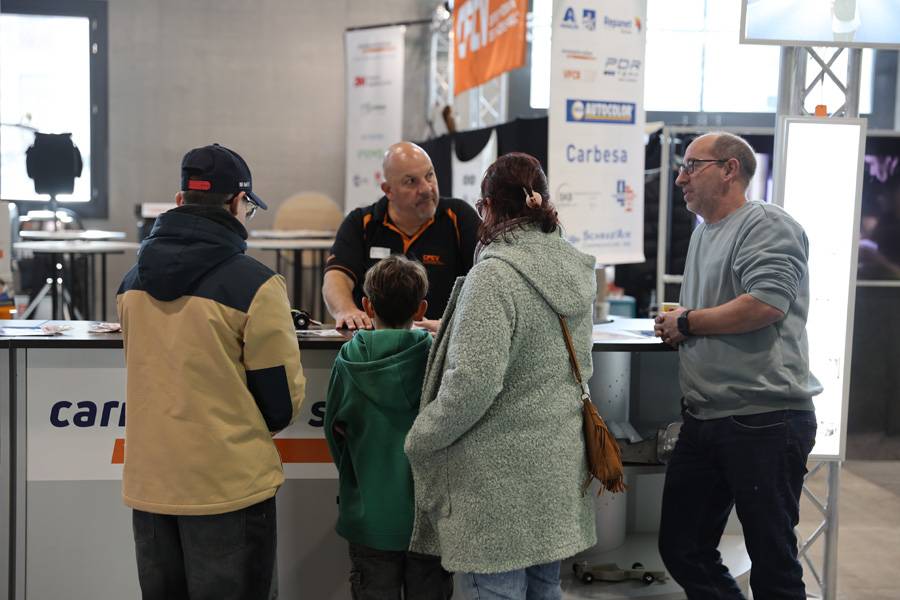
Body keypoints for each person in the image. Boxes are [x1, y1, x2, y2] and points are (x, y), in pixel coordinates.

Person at [117, 143, 306, 600]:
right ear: (239, 203)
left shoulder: (130, 284)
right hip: (229, 488)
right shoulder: (257, 285)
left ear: (180, 201)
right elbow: (280, 403)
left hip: (151, 486)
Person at [404, 152, 597, 599]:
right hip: (556, 465)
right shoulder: (574, 269)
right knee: (544, 587)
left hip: (496, 484)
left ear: (488, 208)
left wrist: (422, 435)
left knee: (495, 591)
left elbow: (473, 384)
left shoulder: (494, 277)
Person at [653, 132, 822, 599]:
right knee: (683, 546)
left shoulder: (767, 225)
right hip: (706, 417)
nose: (680, 177)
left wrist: (687, 321)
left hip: (763, 418)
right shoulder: (705, 231)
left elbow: (764, 305)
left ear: (730, 169)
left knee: (773, 563)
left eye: (692, 165)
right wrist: (683, 323)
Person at [324, 255, 453, 600]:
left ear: (366, 305)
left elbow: (334, 432)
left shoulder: (350, 359)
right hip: (428, 519)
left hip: (370, 515)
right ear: (420, 309)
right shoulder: (436, 358)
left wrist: (355, 480)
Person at [323, 141, 479, 330]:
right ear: (388, 190)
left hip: (439, 345)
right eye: (411, 181)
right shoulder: (361, 223)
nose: (426, 189)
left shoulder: (459, 217)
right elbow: (336, 277)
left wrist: (453, 325)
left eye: (429, 175)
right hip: (377, 348)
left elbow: (486, 280)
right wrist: (346, 311)